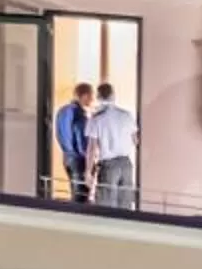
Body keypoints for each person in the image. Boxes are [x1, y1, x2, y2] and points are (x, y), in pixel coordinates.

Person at [85, 81, 139, 210]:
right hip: (126, 164)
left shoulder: (96, 119)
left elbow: (92, 148)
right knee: (125, 206)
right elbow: (136, 140)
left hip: (108, 165)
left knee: (106, 208)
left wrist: (88, 171)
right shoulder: (127, 115)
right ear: (113, 95)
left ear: (98, 97)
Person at [51, 81, 95, 200]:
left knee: (74, 192)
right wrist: (89, 159)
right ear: (84, 95)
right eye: (91, 96)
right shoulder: (79, 114)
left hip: (67, 158)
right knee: (80, 198)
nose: (92, 99)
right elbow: (81, 139)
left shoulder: (62, 111)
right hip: (78, 160)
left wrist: (66, 150)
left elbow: (58, 133)